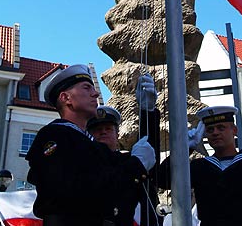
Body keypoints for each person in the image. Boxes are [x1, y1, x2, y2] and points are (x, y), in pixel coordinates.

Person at [26, 64, 155, 226]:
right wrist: (137, 164)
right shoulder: (55, 135)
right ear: (66, 98)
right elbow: (79, 188)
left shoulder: (92, 146)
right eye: (86, 88)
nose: (95, 93)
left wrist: (147, 111)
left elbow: (145, 154)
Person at [158, 105, 242, 226]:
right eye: (210, 130)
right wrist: (184, 149)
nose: (215, 133)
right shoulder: (200, 167)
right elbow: (162, 180)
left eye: (221, 127)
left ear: (234, 130)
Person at [86, 73, 162, 226]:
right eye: (97, 129)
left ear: (117, 133)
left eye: (108, 128)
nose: (103, 132)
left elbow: (148, 149)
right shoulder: (86, 162)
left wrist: (148, 112)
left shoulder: (127, 160)